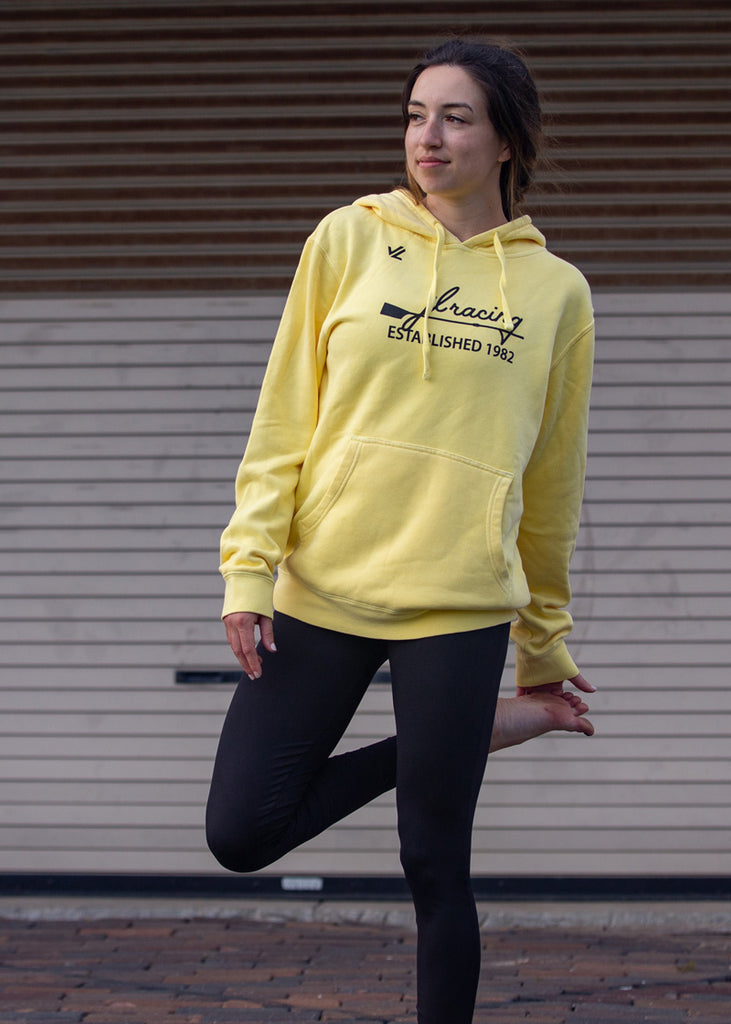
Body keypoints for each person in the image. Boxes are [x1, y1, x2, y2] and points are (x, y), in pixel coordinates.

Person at [206, 38, 595, 1024]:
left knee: (433, 863)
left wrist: (542, 645)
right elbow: (283, 417)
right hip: (323, 586)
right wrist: (248, 570)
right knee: (242, 830)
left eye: (456, 116)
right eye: (417, 114)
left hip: (458, 603)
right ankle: (458, 737)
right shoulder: (347, 238)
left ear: (505, 140)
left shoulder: (554, 293)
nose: (429, 136)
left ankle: (452, 738)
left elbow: (551, 484)